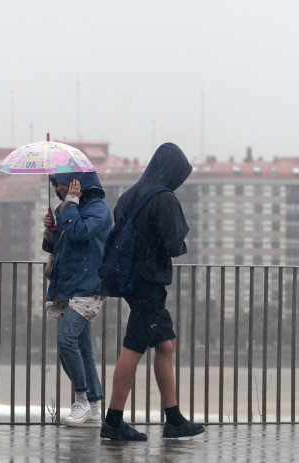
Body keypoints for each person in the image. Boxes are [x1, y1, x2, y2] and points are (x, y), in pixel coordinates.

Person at [100, 142, 204, 441]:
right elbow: (173, 244)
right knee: (133, 348)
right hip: (150, 281)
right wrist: (178, 243)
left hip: (133, 280)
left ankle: (173, 419)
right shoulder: (163, 198)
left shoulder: (131, 194)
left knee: (165, 345)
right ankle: (113, 421)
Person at [42, 171, 111, 427]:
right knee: (82, 347)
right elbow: (59, 245)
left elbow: (81, 232)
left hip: (89, 286)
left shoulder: (98, 209)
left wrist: (69, 205)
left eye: (62, 184)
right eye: (57, 185)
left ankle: (81, 400)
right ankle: (93, 407)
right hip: (71, 286)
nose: (59, 189)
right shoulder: (70, 208)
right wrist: (51, 231)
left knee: (66, 340)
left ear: (77, 184)